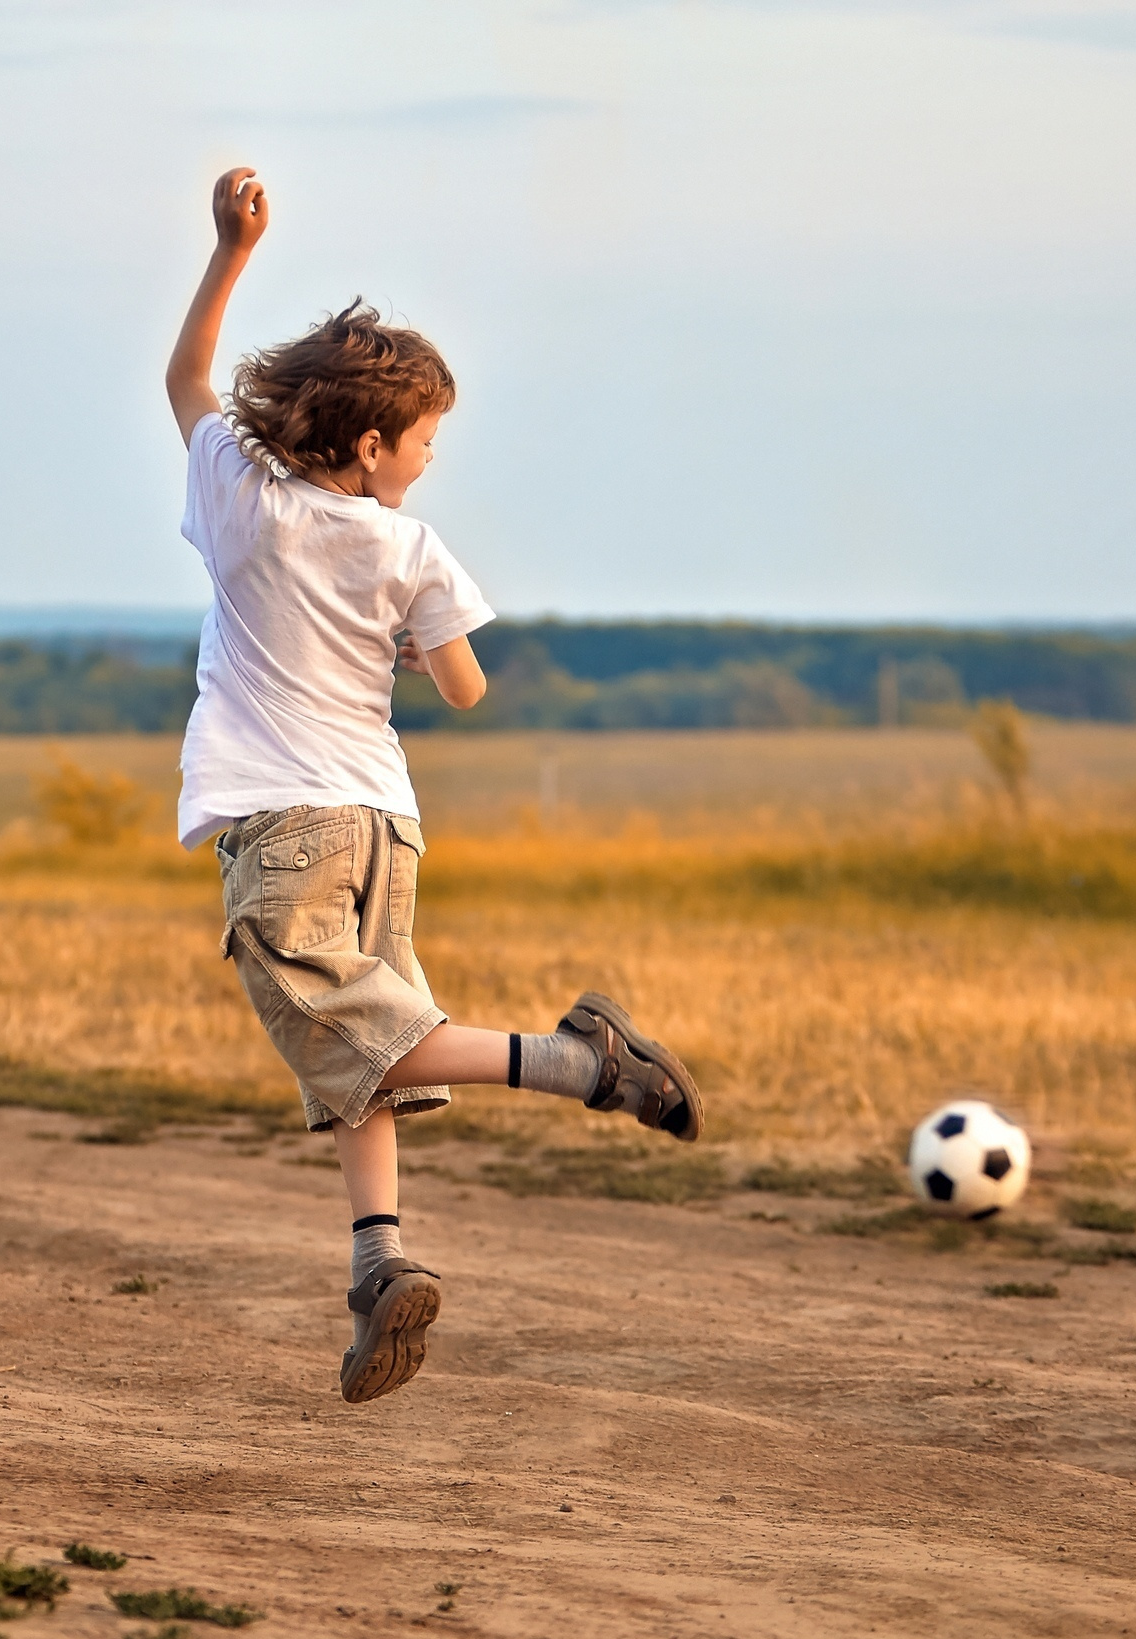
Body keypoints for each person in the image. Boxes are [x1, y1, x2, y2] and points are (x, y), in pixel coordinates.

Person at [164, 166, 702, 1405]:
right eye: (424, 441)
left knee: (365, 1035)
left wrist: (228, 253)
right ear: (369, 445)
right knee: (366, 1056)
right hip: (381, 824)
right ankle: (378, 1263)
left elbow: (190, 383)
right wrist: (411, 640)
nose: (429, 458)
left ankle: (582, 1064)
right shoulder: (409, 549)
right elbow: (463, 690)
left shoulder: (243, 508)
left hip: (283, 822)